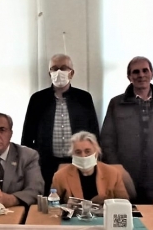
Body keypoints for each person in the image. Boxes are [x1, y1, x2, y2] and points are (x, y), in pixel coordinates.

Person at [100, 56, 153, 203]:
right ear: (129, 77)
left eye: (145, 70)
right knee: (128, 211)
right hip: (127, 172)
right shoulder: (116, 103)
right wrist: (116, 168)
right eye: (136, 72)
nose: (141, 75)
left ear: (152, 74)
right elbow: (107, 139)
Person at [21, 54, 100, 193]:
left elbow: (93, 131)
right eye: (54, 68)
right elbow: (27, 134)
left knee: (77, 198)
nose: (58, 72)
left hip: (78, 161)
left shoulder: (84, 98)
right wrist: (29, 162)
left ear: (72, 73)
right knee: (48, 199)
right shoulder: (38, 99)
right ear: (49, 73)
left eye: (63, 68)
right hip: (45, 163)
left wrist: (94, 158)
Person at [51, 131, 128, 204]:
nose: (83, 156)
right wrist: (66, 206)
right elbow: (52, 205)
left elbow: (124, 203)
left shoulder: (113, 173)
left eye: (87, 151)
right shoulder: (60, 176)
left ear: (96, 153)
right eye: (78, 152)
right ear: (72, 155)